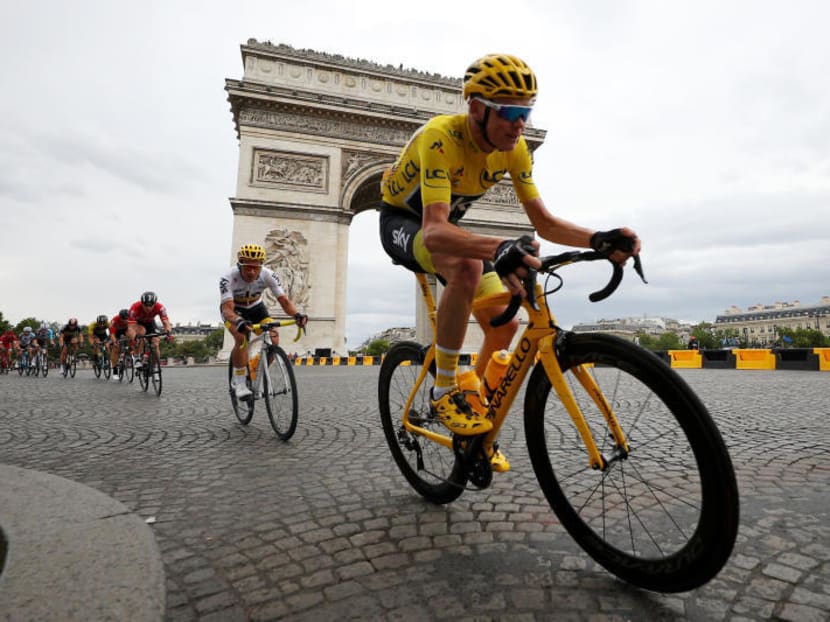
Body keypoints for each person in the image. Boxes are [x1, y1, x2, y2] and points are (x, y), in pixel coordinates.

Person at [379, 54, 640, 471]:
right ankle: (444, 390)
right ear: (477, 109)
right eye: (512, 112)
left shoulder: (515, 149)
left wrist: (598, 238)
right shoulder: (440, 138)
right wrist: (500, 245)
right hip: (405, 222)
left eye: (528, 113)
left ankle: (476, 415)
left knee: (506, 320)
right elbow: (434, 231)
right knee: (465, 267)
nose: (522, 124)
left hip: (446, 227)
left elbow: (543, 222)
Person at [220, 243, 308, 400]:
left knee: (273, 337)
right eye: (248, 267)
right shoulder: (228, 278)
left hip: (256, 308)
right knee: (241, 338)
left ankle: (259, 376)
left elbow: (284, 301)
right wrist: (238, 321)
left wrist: (297, 315)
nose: (252, 272)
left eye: (256, 267)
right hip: (235, 310)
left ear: (261, 266)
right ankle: (239, 382)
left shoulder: (268, 274)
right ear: (240, 265)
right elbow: (227, 309)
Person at [126, 292, 173, 367]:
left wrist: (168, 333)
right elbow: (130, 327)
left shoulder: (160, 307)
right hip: (138, 324)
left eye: (151, 305)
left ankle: (155, 366)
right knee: (142, 332)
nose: (148, 308)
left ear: (155, 303)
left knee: (156, 342)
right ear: (142, 304)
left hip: (151, 323)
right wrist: (134, 338)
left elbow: (166, 322)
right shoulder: (134, 307)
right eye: (146, 305)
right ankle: (137, 357)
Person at [109, 309, 130, 378]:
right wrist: (114, 342)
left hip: (126, 330)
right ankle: (115, 370)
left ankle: (127, 354)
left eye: (127, 318)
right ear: (120, 317)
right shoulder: (114, 320)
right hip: (116, 332)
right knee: (115, 348)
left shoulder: (130, 318)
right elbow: (112, 334)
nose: (125, 320)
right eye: (123, 319)